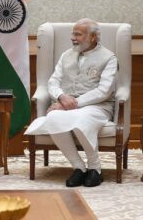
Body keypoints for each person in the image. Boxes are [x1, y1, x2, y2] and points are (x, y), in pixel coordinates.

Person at [25, 18, 118, 187]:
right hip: (66, 104)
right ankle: (79, 167)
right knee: (53, 117)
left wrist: (71, 103)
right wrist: (61, 97)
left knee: (81, 120)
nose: (73, 38)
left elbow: (104, 91)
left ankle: (95, 168)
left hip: (97, 106)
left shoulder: (109, 57)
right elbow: (53, 82)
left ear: (93, 37)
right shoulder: (66, 55)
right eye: (72, 34)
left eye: (78, 34)